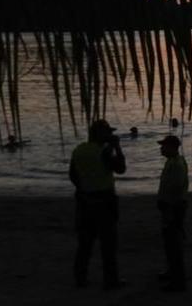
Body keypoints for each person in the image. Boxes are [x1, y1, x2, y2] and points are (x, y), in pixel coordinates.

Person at [69, 119, 126, 289]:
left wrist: (84, 189)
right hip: (104, 202)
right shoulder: (103, 152)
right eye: (108, 133)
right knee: (108, 244)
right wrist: (117, 147)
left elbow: (73, 175)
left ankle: (80, 278)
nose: (111, 135)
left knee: (85, 243)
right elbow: (121, 169)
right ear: (101, 135)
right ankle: (111, 281)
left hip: (85, 201)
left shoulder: (79, 150)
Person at [157, 135, 189, 291]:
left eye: (164, 146)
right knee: (169, 242)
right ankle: (172, 272)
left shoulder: (176, 165)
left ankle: (177, 280)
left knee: (173, 243)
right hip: (171, 206)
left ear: (171, 147)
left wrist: (169, 208)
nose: (161, 148)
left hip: (173, 207)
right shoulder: (172, 162)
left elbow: (175, 190)